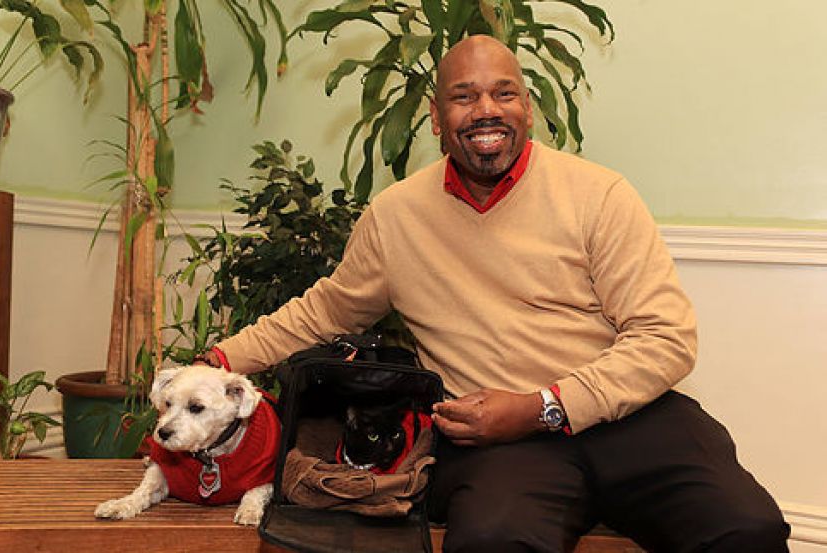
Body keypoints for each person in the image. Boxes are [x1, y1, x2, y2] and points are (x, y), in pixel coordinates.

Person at [197, 35, 789, 552]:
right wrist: (213, 363)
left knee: (747, 529)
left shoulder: (599, 195)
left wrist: (542, 406)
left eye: (504, 93)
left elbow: (666, 338)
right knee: (492, 541)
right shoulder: (397, 215)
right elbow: (323, 311)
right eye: (464, 96)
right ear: (435, 116)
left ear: (528, 109)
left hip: (631, 419)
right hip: (497, 444)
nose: (486, 110)